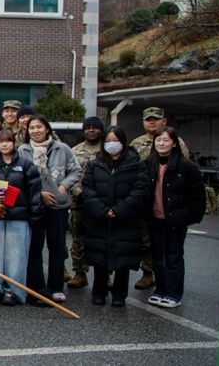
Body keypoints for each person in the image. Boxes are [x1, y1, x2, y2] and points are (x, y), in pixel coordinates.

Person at [80, 125, 151, 306]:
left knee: (124, 257)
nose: (112, 144)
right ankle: (99, 292)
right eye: (109, 141)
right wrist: (102, 210)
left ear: (123, 142)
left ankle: (120, 295)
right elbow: (87, 190)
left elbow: (141, 191)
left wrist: (119, 210)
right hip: (100, 218)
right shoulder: (95, 164)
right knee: (99, 256)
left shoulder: (136, 164)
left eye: (116, 141)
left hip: (126, 219)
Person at [18, 115, 81, 304]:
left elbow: (75, 170)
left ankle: (56, 287)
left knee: (57, 247)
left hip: (58, 205)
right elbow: (19, 177)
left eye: (39, 127)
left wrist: (63, 187)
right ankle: (37, 287)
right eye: (31, 128)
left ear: (47, 129)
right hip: (35, 205)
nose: (35, 131)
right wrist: (40, 194)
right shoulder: (23, 150)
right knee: (34, 247)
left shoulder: (62, 149)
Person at [130, 106, 189, 291]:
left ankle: (169, 286)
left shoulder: (177, 143)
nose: (152, 122)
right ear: (143, 123)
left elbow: (185, 172)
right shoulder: (137, 143)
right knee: (147, 242)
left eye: (156, 119)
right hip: (146, 202)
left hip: (171, 205)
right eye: (148, 119)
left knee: (172, 250)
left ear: (164, 121)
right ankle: (149, 274)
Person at [145, 126, 204, 308]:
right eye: (158, 140)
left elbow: (197, 195)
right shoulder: (148, 163)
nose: (161, 144)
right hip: (154, 218)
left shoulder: (186, 166)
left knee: (174, 256)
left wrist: (191, 217)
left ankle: (174, 293)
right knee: (157, 256)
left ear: (174, 143)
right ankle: (160, 290)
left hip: (176, 219)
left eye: (166, 140)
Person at [0, 130, 42, 305]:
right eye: (1, 141)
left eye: (8, 141)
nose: (5, 144)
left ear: (14, 143)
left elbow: (35, 193)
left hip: (19, 218)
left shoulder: (26, 165)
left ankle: (14, 292)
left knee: (16, 256)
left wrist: (35, 216)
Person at [67, 116, 105, 288]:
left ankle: (106, 275)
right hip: (79, 202)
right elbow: (69, 174)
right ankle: (79, 272)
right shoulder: (74, 151)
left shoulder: (107, 150)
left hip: (102, 203)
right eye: (88, 127)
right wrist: (79, 192)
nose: (91, 130)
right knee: (78, 239)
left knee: (102, 239)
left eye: (95, 127)